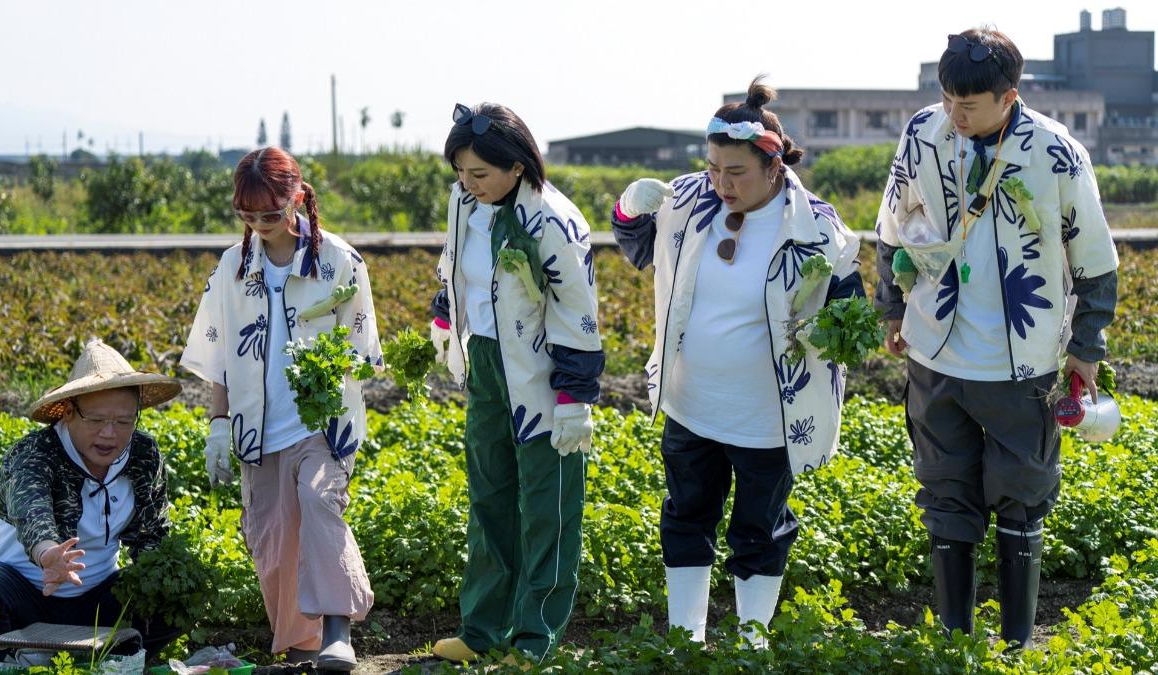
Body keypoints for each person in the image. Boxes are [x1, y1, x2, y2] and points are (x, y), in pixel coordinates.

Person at [874, 28, 1119, 648]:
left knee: (1021, 494)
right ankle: (955, 641)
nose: (955, 114)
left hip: (1023, 355)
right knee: (944, 489)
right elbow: (893, 226)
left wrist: (1087, 346)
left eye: (970, 105)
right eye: (949, 98)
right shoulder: (922, 133)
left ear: (1009, 96)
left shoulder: (1056, 152)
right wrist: (890, 308)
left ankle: (1014, 643)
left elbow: (1094, 257)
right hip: (936, 345)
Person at [610, 77, 865, 646]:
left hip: (767, 415)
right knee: (686, 516)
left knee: (760, 528)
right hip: (691, 401)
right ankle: (686, 638)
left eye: (736, 173)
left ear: (773, 168)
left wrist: (831, 334)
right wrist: (629, 209)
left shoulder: (817, 229)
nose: (721, 183)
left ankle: (751, 641)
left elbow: (852, 316)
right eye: (713, 168)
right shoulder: (687, 201)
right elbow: (637, 247)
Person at [181, 147, 382, 669]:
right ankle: (301, 647)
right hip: (257, 429)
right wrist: (218, 425)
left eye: (270, 214)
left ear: (297, 198)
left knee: (320, 505)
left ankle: (339, 631)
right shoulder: (234, 266)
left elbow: (361, 351)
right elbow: (222, 352)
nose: (260, 225)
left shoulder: (338, 261)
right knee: (272, 544)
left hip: (322, 423)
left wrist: (329, 369)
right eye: (247, 216)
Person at [428, 102, 604, 666]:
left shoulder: (552, 221)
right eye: (460, 171)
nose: (467, 183)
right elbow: (456, 265)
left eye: (479, 173)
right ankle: (481, 629)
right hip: (485, 362)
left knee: (547, 508)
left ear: (518, 166)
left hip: (543, 375)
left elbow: (577, 309)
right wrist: (443, 314)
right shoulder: (464, 203)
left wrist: (575, 395)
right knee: (490, 497)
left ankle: (534, 637)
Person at [0, 338, 183, 657]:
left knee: (170, 588)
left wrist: (167, 578)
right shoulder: (34, 454)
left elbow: (153, 534)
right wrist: (49, 555)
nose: (110, 434)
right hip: (23, 596)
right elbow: (32, 514)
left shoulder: (143, 454)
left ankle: (117, 654)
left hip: (97, 603)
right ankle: (15, 653)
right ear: (67, 412)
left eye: (123, 421)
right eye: (96, 420)